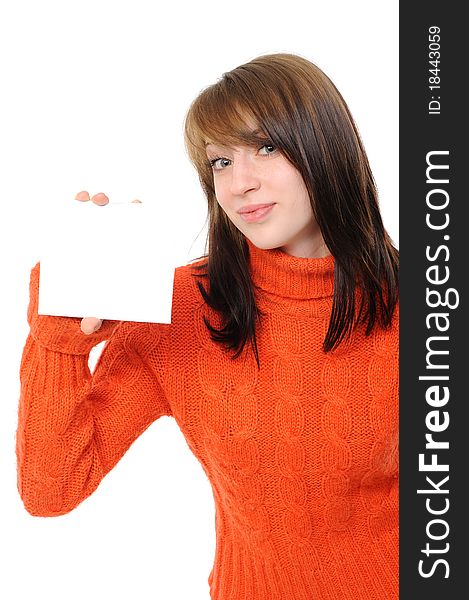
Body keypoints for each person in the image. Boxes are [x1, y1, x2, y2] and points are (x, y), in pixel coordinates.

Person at [16, 52, 399, 599]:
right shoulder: (184, 306)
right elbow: (52, 489)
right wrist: (58, 340)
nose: (240, 183)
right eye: (221, 162)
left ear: (326, 150)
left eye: (266, 147)